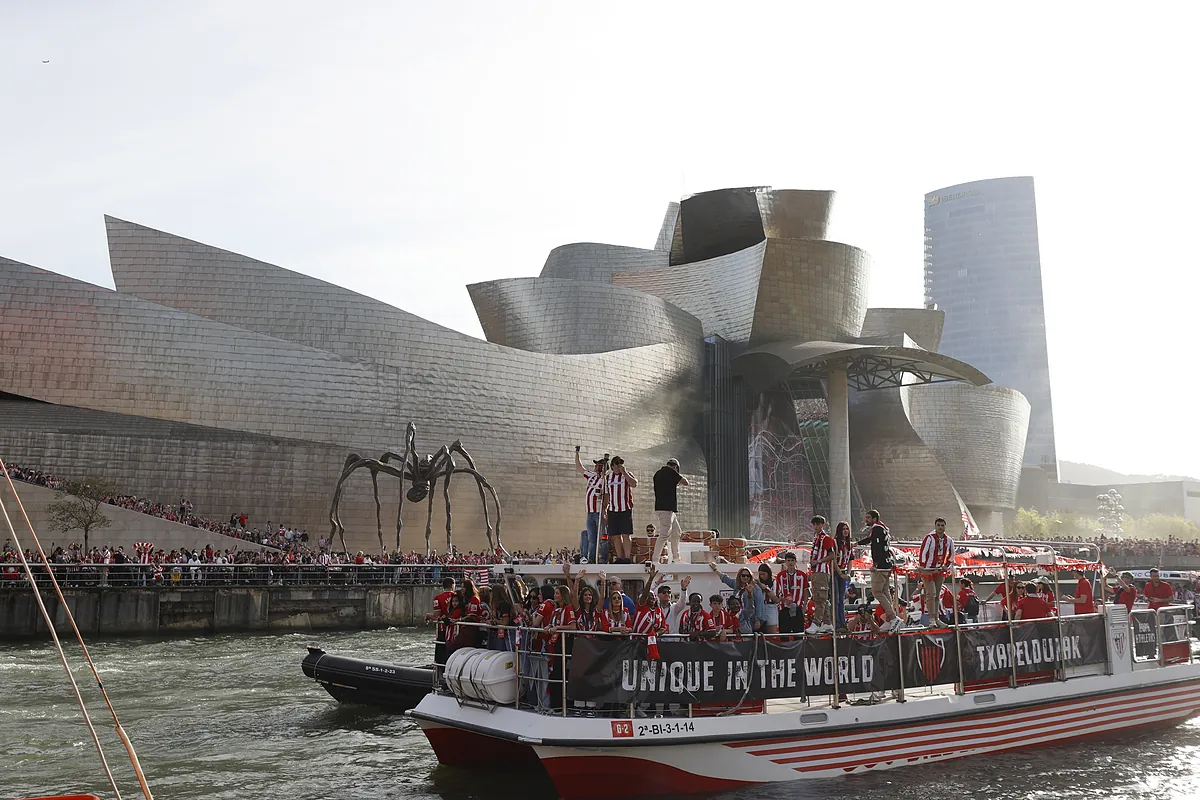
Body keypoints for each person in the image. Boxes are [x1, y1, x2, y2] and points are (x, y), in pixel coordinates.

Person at [855, 510, 901, 632]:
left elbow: (876, 548)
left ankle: (892, 616)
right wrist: (857, 543)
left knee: (876, 591)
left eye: (868, 518)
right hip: (887, 564)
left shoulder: (876, 528)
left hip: (880, 565)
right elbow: (870, 540)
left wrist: (875, 564)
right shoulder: (883, 528)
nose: (866, 520)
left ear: (874, 519)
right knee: (885, 591)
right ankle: (890, 619)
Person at [917, 518, 954, 628]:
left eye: (942, 525)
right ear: (935, 526)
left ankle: (937, 619)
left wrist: (946, 565)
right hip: (928, 570)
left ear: (945, 527)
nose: (940, 527)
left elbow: (952, 554)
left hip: (939, 570)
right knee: (931, 594)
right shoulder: (929, 538)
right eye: (938, 525)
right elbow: (923, 552)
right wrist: (923, 566)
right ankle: (931, 619)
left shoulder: (949, 540)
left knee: (937, 595)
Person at [651, 458, 689, 564]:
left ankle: (676, 559)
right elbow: (686, 482)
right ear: (676, 467)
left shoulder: (657, 473)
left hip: (664, 509)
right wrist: (677, 476)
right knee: (664, 535)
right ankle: (655, 561)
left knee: (676, 532)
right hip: (666, 509)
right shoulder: (671, 472)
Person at [710, 562, 765, 634]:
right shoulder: (736, 584)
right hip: (736, 617)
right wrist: (715, 569)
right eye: (743, 575)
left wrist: (758, 619)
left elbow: (759, 604)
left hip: (750, 617)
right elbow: (725, 579)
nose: (745, 577)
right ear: (739, 576)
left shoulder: (755, 588)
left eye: (748, 576)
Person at [574, 448, 607, 563]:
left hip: (599, 512)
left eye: (599, 465)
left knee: (602, 537)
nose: (597, 467)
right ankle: (591, 559)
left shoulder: (606, 480)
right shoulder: (591, 476)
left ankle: (602, 558)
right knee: (591, 538)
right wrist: (577, 453)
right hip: (590, 512)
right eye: (597, 465)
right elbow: (579, 467)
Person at [605, 456, 638, 564]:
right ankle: (619, 557)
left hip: (625, 509)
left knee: (626, 534)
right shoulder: (608, 477)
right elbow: (606, 494)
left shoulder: (627, 475)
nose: (619, 466)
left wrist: (624, 472)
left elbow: (634, 484)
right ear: (612, 466)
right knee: (615, 535)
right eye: (617, 464)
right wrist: (604, 510)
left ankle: (627, 558)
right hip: (612, 509)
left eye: (621, 463)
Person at [807, 516, 836, 634]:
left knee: (820, 599)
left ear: (823, 525)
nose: (816, 526)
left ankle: (816, 622)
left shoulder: (826, 538)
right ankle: (827, 622)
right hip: (816, 572)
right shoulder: (817, 538)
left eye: (818, 524)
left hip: (822, 571)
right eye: (814, 524)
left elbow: (832, 555)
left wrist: (818, 561)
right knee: (819, 598)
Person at [775, 551, 810, 635]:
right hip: (784, 608)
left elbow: (806, 591)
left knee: (798, 634)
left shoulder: (802, 575)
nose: (790, 562)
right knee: (784, 634)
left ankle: (799, 648)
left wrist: (804, 606)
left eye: (792, 560)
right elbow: (777, 593)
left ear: (795, 562)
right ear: (785, 562)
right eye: (788, 560)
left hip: (798, 608)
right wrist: (782, 601)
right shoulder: (780, 575)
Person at [833, 521, 854, 632]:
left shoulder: (849, 544)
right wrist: (840, 573)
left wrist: (848, 573)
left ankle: (842, 622)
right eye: (843, 529)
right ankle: (836, 623)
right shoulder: (835, 542)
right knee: (835, 598)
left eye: (847, 529)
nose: (846, 531)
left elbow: (850, 560)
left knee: (841, 599)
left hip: (843, 572)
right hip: (835, 572)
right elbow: (832, 560)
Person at [756, 563, 780, 634]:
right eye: (760, 574)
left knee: (771, 634)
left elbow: (776, 599)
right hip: (760, 607)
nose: (762, 576)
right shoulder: (757, 582)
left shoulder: (774, 582)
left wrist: (765, 588)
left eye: (763, 574)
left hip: (770, 607)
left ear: (768, 573)